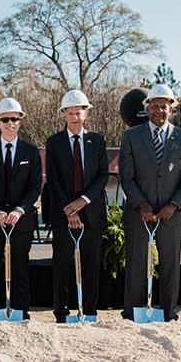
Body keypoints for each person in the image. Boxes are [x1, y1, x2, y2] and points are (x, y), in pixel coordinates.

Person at [118, 84, 181, 321]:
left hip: (171, 215)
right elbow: (126, 176)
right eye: (155, 106)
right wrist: (141, 204)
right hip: (139, 213)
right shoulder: (131, 136)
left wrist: (174, 205)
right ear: (147, 108)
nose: (159, 111)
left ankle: (168, 312)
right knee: (137, 265)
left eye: (164, 106)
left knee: (170, 266)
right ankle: (133, 313)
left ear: (171, 108)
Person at [44, 90, 109, 322]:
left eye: (78, 112)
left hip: (91, 213)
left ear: (86, 113)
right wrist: (69, 209)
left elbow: (102, 176)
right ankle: (61, 312)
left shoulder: (97, 141)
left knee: (91, 265)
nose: (74, 116)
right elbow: (53, 179)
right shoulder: (53, 143)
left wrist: (83, 201)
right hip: (63, 214)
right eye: (70, 113)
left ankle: (89, 311)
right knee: (62, 265)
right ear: (64, 114)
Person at [0, 97, 42, 320]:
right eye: (5, 119)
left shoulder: (31, 152)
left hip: (20, 221)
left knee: (20, 267)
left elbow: (34, 187)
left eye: (14, 119)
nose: (10, 123)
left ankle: (21, 313)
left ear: (20, 121)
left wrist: (19, 210)